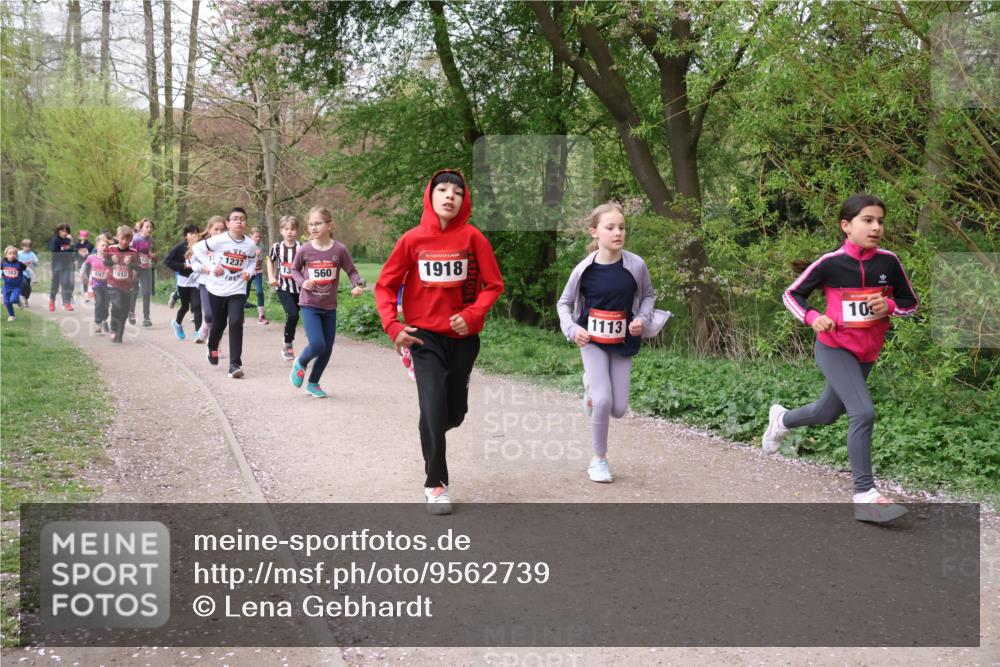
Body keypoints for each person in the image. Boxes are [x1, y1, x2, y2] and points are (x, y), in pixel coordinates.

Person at [762, 193, 918, 523]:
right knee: (863, 412)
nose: (876, 227)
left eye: (880, 221)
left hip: (866, 353)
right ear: (846, 226)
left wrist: (889, 306)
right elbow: (791, 294)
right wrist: (812, 317)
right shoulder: (831, 263)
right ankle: (865, 494)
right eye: (868, 220)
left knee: (827, 412)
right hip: (833, 348)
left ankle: (783, 420)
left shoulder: (888, 262)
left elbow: (910, 303)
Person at [374, 170, 504, 514]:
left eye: (457, 192)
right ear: (430, 196)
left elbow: (493, 285)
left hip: (462, 340)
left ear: (464, 200)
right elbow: (385, 285)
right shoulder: (412, 240)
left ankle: (432, 422)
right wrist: (392, 325)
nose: (450, 196)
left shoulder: (473, 238)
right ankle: (436, 484)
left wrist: (474, 315)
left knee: (453, 414)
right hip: (423, 338)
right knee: (432, 409)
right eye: (442, 190)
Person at [556, 202, 670, 484]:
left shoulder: (636, 265)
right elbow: (564, 303)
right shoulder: (584, 269)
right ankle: (599, 460)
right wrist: (572, 329)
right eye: (610, 227)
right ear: (594, 232)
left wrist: (641, 319)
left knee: (618, 408)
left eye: (622, 227)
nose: (618, 232)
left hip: (622, 340)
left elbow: (648, 296)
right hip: (591, 340)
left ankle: (590, 390)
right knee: (604, 400)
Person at [288, 207, 365, 398]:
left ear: (329, 225)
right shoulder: (305, 249)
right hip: (309, 304)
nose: (313, 227)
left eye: (318, 223)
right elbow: (294, 270)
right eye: (311, 224)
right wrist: (303, 282)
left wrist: (358, 284)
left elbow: (352, 271)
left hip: (329, 306)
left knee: (327, 349)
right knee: (317, 344)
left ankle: (313, 383)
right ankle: (301, 362)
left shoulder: (339, 249)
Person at [191, 207, 256, 378]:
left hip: (238, 289)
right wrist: (212, 267)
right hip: (217, 289)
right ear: (228, 223)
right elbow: (197, 249)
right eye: (235, 218)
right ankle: (212, 345)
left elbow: (252, 262)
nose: (239, 221)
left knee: (235, 322)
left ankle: (235, 364)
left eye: (242, 218)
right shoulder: (219, 240)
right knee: (219, 324)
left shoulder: (249, 244)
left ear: (246, 223)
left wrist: (249, 272)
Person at [267, 215, 302, 361]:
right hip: (283, 287)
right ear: (281, 231)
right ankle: (288, 344)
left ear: (297, 231)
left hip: (300, 288)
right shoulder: (277, 247)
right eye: (286, 229)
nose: (289, 232)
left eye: (292, 229)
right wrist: (271, 277)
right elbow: (270, 260)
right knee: (293, 314)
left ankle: (288, 339)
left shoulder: (302, 247)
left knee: (294, 316)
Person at [164, 224, 203, 340]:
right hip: (183, 281)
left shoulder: (201, 247)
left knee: (197, 306)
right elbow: (168, 261)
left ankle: (198, 333)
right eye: (191, 233)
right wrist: (182, 265)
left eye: (196, 233)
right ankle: (177, 324)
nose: (194, 236)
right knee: (185, 306)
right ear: (186, 236)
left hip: (196, 280)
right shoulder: (180, 247)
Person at [192, 216, 227, 344]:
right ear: (209, 230)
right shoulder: (202, 246)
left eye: (222, 230)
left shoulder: (227, 247)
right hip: (205, 283)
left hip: (222, 285)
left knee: (218, 317)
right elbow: (193, 264)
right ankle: (204, 328)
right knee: (208, 315)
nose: (219, 233)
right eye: (216, 229)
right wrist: (203, 268)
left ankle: (214, 344)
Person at [103, 226, 140, 343]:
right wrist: (111, 260)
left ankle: (120, 333)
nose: (124, 242)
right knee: (116, 306)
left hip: (127, 286)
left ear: (130, 240)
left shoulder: (133, 252)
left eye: (127, 240)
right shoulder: (111, 248)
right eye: (122, 239)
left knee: (124, 310)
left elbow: (138, 266)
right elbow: (105, 262)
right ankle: (113, 329)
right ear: (118, 237)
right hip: (113, 284)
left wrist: (130, 265)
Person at [129, 218, 156, 326]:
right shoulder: (135, 240)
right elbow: (130, 254)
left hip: (145, 267)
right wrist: (133, 268)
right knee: (134, 291)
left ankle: (146, 318)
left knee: (146, 292)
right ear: (141, 228)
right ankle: (131, 313)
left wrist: (150, 255)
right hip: (135, 267)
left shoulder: (150, 240)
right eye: (147, 227)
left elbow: (147, 253)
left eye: (151, 227)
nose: (149, 229)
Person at [81, 237, 110, 333]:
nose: (104, 247)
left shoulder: (109, 258)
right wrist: (84, 275)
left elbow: (113, 267)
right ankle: (98, 323)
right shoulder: (91, 257)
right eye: (102, 245)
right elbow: (85, 265)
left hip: (107, 285)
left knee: (106, 305)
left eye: (106, 246)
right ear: (97, 246)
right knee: (99, 302)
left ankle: (104, 319)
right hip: (96, 284)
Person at [48, 224, 75, 311]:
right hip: (57, 265)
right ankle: (52, 301)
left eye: (66, 231)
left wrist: (71, 244)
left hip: (67, 265)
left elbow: (72, 251)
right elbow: (54, 251)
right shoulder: (55, 240)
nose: (64, 233)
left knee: (66, 283)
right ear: (58, 231)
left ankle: (67, 303)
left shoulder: (68, 240)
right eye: (62, 231)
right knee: (55, 284)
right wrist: (68, 249)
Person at [245, 227, 269, 324]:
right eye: (256, 237)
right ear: (251, 236)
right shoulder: (247, 246)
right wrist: (254, 254)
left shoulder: (261, 246)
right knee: (244, 293)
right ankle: (238, 313)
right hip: (248, 273)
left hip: (258, 272)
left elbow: (266, 255)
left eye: (259, 237)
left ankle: (261, 316)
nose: (258, 238)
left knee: (259, 292)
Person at [2, 246, 27, 321]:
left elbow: (28, 269)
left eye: (14, 254)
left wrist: (34, 278)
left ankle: (17, 301)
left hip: (16, 286)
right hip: (6, 286)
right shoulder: (3, 263)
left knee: (12, 300)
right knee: (6, 302)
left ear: (16, 255)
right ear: (6, 255)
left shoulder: (19, 264)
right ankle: (11, 316)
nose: (12, 255)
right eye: (10, 253)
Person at [17, 239, 39, 308]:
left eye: (29, 247)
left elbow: (37, 264)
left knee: (28, 289)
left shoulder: (32, 254)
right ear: (22, 246)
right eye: (25, 246)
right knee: (24, 283)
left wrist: (33, 262)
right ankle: (22, 296)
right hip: (20, 273)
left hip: (29, 274)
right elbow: (14, 260)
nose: (27, 248)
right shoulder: (18, 253)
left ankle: (25, 299)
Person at [74, 230, 95, 304]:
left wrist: (88, 255)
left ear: (87, 237)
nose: (83, 237)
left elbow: (93, 253)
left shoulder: (90, 245)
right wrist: (75, 260)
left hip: (88, 263)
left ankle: (88, 292)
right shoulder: (77, 245)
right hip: (81, 263)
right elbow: (75, 254)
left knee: (89, 278)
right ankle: (85, 295)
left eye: (85, 236)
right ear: (79, 236)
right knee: (84, 278)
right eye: (82, 236)